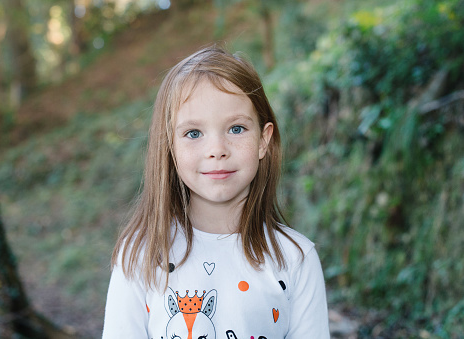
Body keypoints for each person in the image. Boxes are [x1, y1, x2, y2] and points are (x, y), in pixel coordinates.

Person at [102, 46, 329, 338]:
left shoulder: (296, 260)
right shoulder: (141, 256)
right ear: (170, 147)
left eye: (236, 129)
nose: (217, 150)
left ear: (263, 139)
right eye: (193, 133)